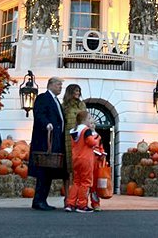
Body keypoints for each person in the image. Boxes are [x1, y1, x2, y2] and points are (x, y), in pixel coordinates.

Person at [28, 77, 68, 211]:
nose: (60, 87)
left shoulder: (57, 101)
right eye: (58, 84)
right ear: (50, 85)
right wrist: (47, 124)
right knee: (43, 172)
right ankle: (38, 200)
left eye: (61, 85)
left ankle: (42, 199)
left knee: (49, 172)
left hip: (55, 141)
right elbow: (39, 114)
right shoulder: (43, 98)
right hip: (45, 141)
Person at [65, 110, 100, 213]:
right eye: (89, 119)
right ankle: (82, 205)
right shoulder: (86, 130)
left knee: (76, 182)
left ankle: (70, 204)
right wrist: (96, 140)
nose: (90, 121)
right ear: (84, 120)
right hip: (86, 159)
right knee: (85, 183)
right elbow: (91, 142)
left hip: (76, 159)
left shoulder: (74, 131)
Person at [63, 84, 87, 198]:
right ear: (70, 92)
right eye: (75, 90)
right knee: (68, 170)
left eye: (79, 90)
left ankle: (78, 197)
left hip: (80, 138)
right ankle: (68, 197)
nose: (77, 93)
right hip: (68, 139)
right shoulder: (65, 106)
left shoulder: (82, 105)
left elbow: (85, 120)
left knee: (78, 169)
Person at [90, 131, 107, 212]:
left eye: (93, 123)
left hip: (96, 163)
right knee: (85, 184)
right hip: (87, 161)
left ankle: (95, 203)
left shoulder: (98, 137)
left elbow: (101, 148)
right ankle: (81, 203)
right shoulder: (85, 134)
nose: (92, 125)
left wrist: (102, 154)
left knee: (95, 185)